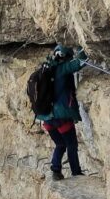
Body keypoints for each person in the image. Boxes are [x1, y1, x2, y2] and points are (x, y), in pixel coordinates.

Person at [37, 45, 89, 181]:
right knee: (71, 144)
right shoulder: (63, 69)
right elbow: (82, 61)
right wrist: (80, 46)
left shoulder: (44, 69)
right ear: (66, 57)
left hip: (46, 118)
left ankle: (56, 170)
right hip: (62, 117)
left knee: (60, 144)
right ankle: (76, 172)